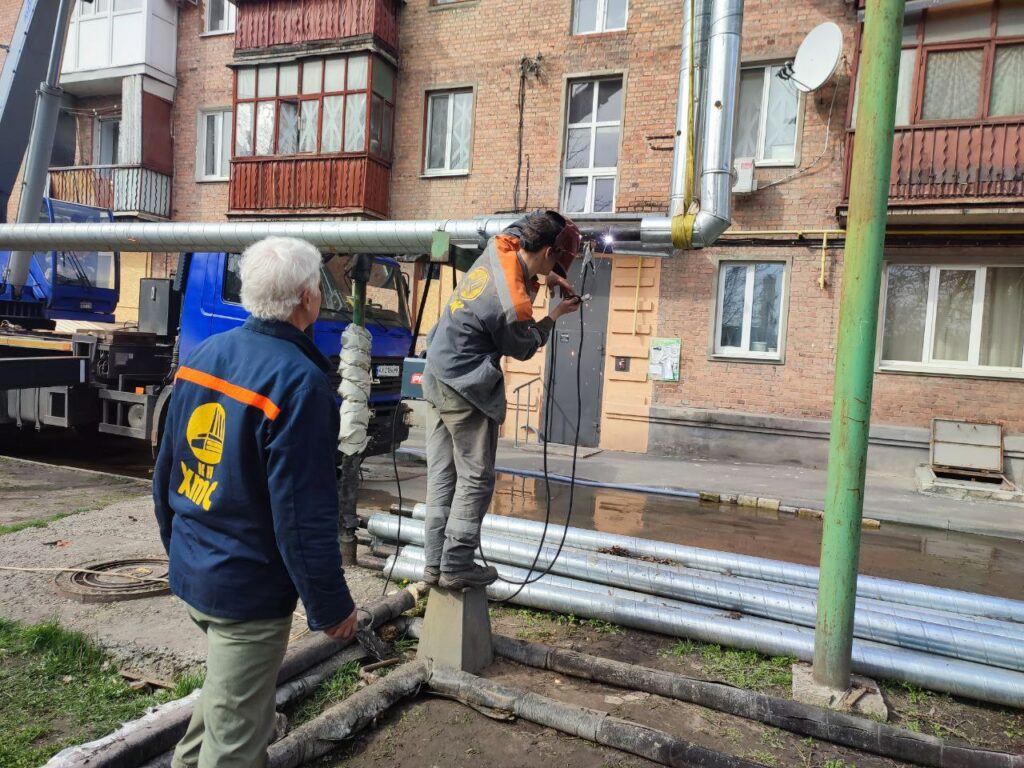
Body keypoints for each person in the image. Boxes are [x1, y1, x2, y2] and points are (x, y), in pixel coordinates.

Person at [153, 237, 359, 768]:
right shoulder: (301, 384)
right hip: (246, 593)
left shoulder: (204, 356)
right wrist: (331, 607)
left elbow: (166, 468)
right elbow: (301, 515)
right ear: (308, 299)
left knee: (228, 703)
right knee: (235, 749)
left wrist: (177, 549)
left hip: (198, 572)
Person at [421, 210, 582, 591]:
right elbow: (523, 346)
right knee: (476, 477)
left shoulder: (500, 247)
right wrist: (555, 314)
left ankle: (432, 565)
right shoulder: (513, 305)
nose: (555, 268)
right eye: (555, 261)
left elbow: (523, 246)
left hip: (436, 372)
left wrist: (549, 276)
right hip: (464, 385)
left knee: (442, 475)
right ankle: (457, 563)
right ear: (545, 251)